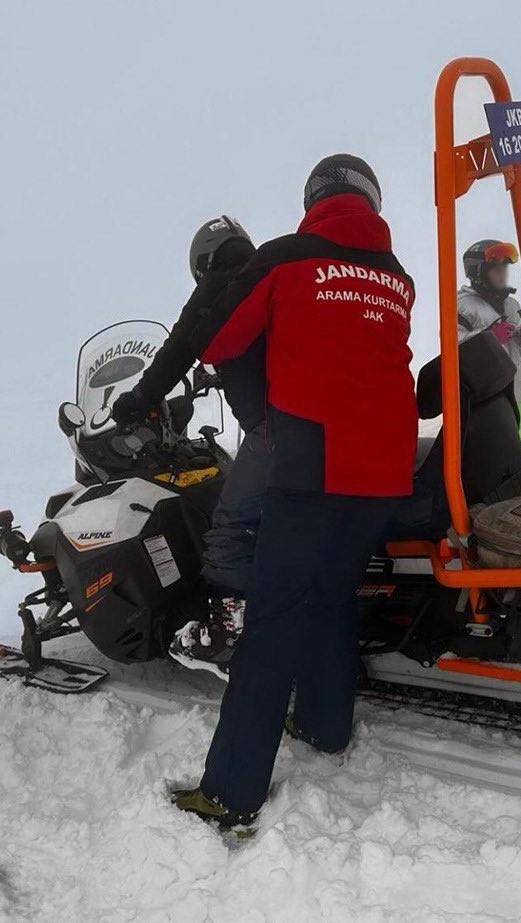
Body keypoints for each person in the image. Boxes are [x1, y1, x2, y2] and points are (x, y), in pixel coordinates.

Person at [171, 154, 418, 832]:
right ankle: (325, 725)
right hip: (386, 473)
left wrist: (263, 410)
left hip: (313, 466)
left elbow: (220, 340)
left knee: (272, 622)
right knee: (329, 595)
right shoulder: (397, 278)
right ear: (370, 200)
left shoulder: (287, 258)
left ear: (314, 198)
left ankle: (229, 792)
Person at [109, 216, 263, 678]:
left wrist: (137, 402)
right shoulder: (268, 276)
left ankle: (225, 633)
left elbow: (178, 349)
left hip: (273, 428)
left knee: (231, 522)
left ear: (203, 261)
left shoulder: (222, 283)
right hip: (317, 417)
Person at [457, 239, 521, 451]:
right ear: (478, 273)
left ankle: (508, 471)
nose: (503, 274)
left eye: (505, 268)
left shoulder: (510, 305)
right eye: (495, 269)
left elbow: (520, 350)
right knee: (504, 439)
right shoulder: (463, 305)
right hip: (489, 391)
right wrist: (488, 337)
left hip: (515, 386)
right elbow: (455, 345)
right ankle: (502, 474)